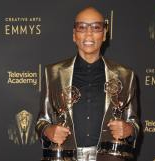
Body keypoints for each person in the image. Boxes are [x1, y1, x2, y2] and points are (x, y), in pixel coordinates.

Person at [36, 7, 139, 161]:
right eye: (82, 27)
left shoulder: (125, 75)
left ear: (104, 34)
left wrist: (129, 129)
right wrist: (48, 130)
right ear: (74, 35)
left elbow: (134, 123)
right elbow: (41, 121)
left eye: (96, 27)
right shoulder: (53, 73)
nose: (89, 33)